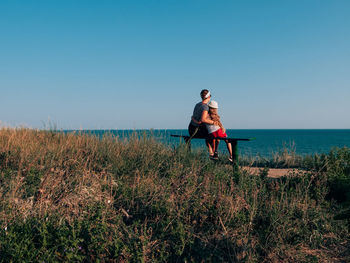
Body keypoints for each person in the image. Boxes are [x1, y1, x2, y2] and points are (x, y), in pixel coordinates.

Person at [188, 89, 217, 155]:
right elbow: (203, 119)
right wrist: (213, 122)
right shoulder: (205, 107)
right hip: (197, 131)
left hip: (190, 130)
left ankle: (211, 151)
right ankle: (213, 153)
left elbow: (193, 117)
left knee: (207, 131)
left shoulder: (197, 105)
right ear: (209, 96)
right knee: (212, 133)